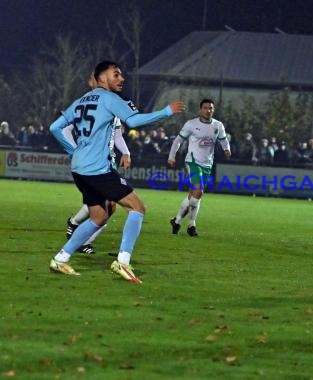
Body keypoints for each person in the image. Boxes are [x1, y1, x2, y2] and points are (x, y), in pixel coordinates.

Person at [49, 60, 185, 282]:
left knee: (99, 217)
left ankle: (60, 258)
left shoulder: (81, 100)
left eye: (121, 75)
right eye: (116, 75)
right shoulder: (110, 99)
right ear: (101, 78)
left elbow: (54, 128)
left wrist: (73, 150)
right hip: (97, 169)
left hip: (79, 168)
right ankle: (123, 262)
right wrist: (165, 111)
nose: (121, 79)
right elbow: (134, 120)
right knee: (137, 208)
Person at [65, 72, 133, 255]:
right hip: (94, 163)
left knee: (107, 206)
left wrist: (126, 152)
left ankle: (75, 229)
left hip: (108, 161)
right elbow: (65, 130)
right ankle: (81, 240)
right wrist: (77, 149)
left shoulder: (111, 104)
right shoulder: (86, 105)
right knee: (110, 206)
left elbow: (117, 134)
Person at [168, 98, 231, 237]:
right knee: (198, 192)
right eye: (206, 108)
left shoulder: (218, 125)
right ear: (200, 109)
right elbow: (178, 140)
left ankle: (177, 220)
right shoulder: (191, 124)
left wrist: (227, 149)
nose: (208, 110)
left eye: (211, 108)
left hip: (207, 164)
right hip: (193, 161)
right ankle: (191, 225)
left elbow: (223, 139)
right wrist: (171, 156)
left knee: (193, 195)